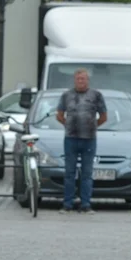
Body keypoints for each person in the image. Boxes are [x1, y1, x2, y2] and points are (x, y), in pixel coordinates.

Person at [56, 68, 107, 214]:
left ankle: (86, 204)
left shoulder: (96, 95)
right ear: (74, 80)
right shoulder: (66, 95)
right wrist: (68, 124)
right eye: (78, 79)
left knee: (87, 173)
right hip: (70, 139)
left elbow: (104, 116)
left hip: (89, 139)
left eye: (83, 79)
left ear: (87, 80)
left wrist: (92, 126)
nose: (80, 81)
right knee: (69, 173)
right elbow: (59, 115)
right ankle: (67, 204)